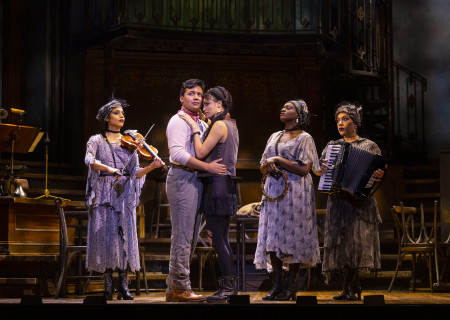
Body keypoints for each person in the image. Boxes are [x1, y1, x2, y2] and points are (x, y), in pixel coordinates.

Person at [84, 98, 164, 301]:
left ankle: (123, 284)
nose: (122, 116)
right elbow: (90, 160)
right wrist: (110, 169)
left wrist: (152, 167)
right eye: (117, 112)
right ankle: (108, 284)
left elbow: (135, 172)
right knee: (105, 237)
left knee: (123, 237)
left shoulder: (131, 142)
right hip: (103, 193)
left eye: (122, 113)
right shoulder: (96, 140)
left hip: (123, 194)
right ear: (106, 117)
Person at [165, 79, 227, 302]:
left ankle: (174, 287)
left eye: (200, 95)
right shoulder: (178, 121)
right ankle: (181, 286)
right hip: (182, 176)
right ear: (181, 97)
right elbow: (178, 155)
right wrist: (207, 167)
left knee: (188, 236)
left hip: (194, 179)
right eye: (191, 94)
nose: (197, 98)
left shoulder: (198, 122)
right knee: (182, 236)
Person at [254, 99, 321, 301]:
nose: (283, 108)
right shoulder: (274, 136)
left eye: (289, 107)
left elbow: (304, 169)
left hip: (296, 192)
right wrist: (269, 166)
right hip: (274, 192)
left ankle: (291, 286)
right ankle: (277, 285)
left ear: (299, 114)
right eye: (283, 106)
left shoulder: (305, 138)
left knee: (294, 236)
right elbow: (262, 166)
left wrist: (277, 160)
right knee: (273, 237)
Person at [319, 101, 385, 301]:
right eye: (338, 120)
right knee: (341, 246)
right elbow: (322, 171)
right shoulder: (332, 146)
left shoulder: (369, 146)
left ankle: (350, 287)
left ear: (355, 123)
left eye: (345, 119)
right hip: (338, 202)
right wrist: (322, 170)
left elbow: (377, 172)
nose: (340, 123)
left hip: (358, 204)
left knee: (355, 246)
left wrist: (379, 175)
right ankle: (351, 286)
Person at [179, 86, 239, 303]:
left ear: (220, 105)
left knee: (219, 239)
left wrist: (194, 128)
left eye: (207, 103)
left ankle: (229, 288)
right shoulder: (229, 123)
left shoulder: (220, 125)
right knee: (221, 238)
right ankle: (227, 287)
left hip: (217, 185)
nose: (204, 107)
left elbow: (201, 152)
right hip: (223, 184)